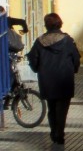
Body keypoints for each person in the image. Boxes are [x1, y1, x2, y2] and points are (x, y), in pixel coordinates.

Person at [27, 12, 80, 148]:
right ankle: (59, 134)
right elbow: (76, 58)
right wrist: (73, 70)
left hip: (47, 80)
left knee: (52, 108)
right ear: (59, 24)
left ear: (46, 25)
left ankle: (54, 132)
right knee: (62, 109)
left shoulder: (39, 42)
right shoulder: (67, 41)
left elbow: (33, 59)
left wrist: (38, 69)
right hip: (64, 80)